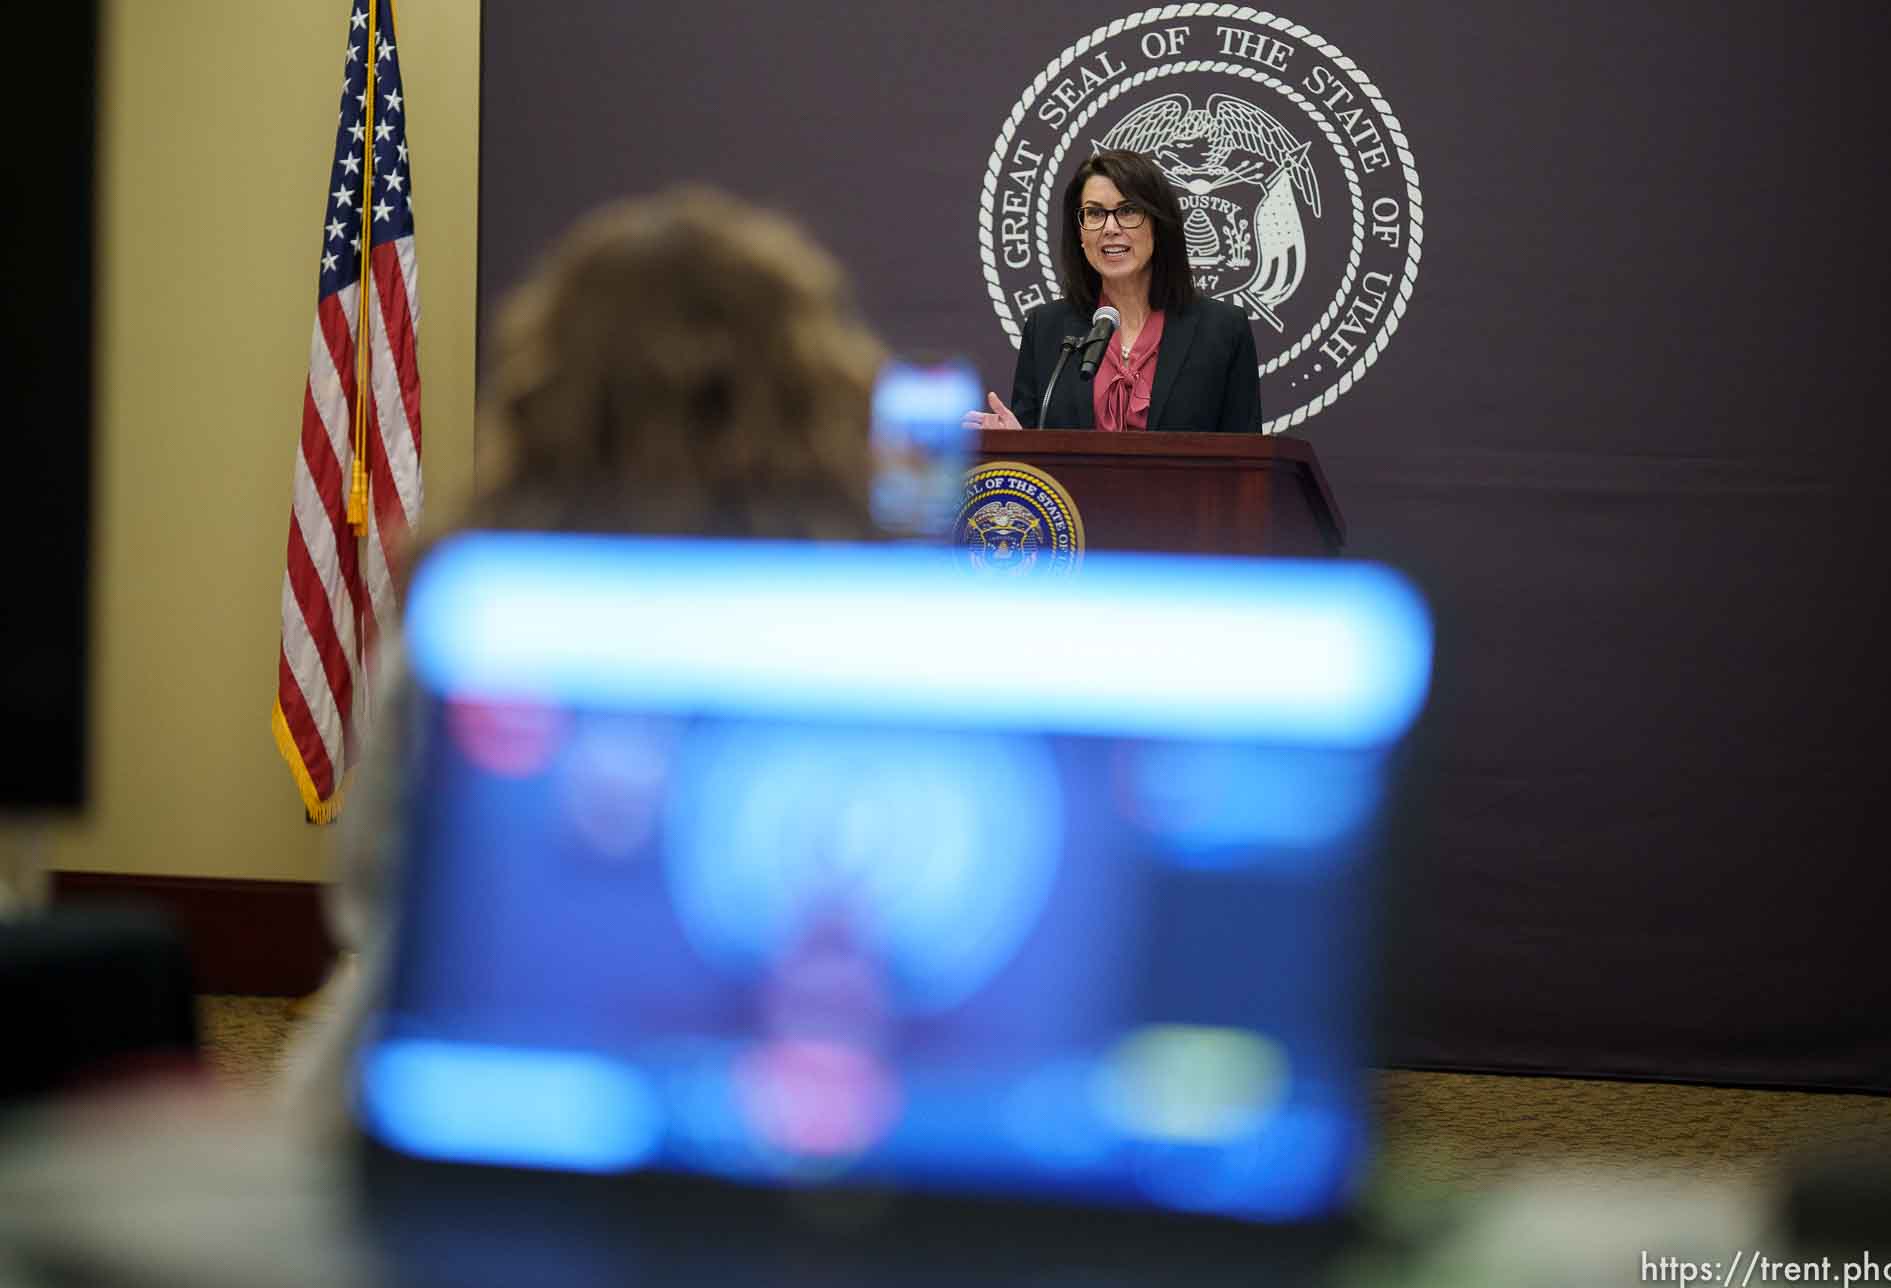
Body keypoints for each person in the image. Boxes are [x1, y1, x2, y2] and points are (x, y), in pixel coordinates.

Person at [278, 186, 885, 1139]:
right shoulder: (868, 629)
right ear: (815, 386)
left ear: (550, 385)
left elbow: (369, 901)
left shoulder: (477, 608)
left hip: (431, 1119)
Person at [966, 149, 1263, 435]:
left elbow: (1247, 462)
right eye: (1094, 213)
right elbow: (1035, 463)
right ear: (1080, 234)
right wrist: (1016, 445)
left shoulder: (1223, 328)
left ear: (1159, 225)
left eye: (1128, 210)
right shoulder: (1047, 327)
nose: (1110, 227)